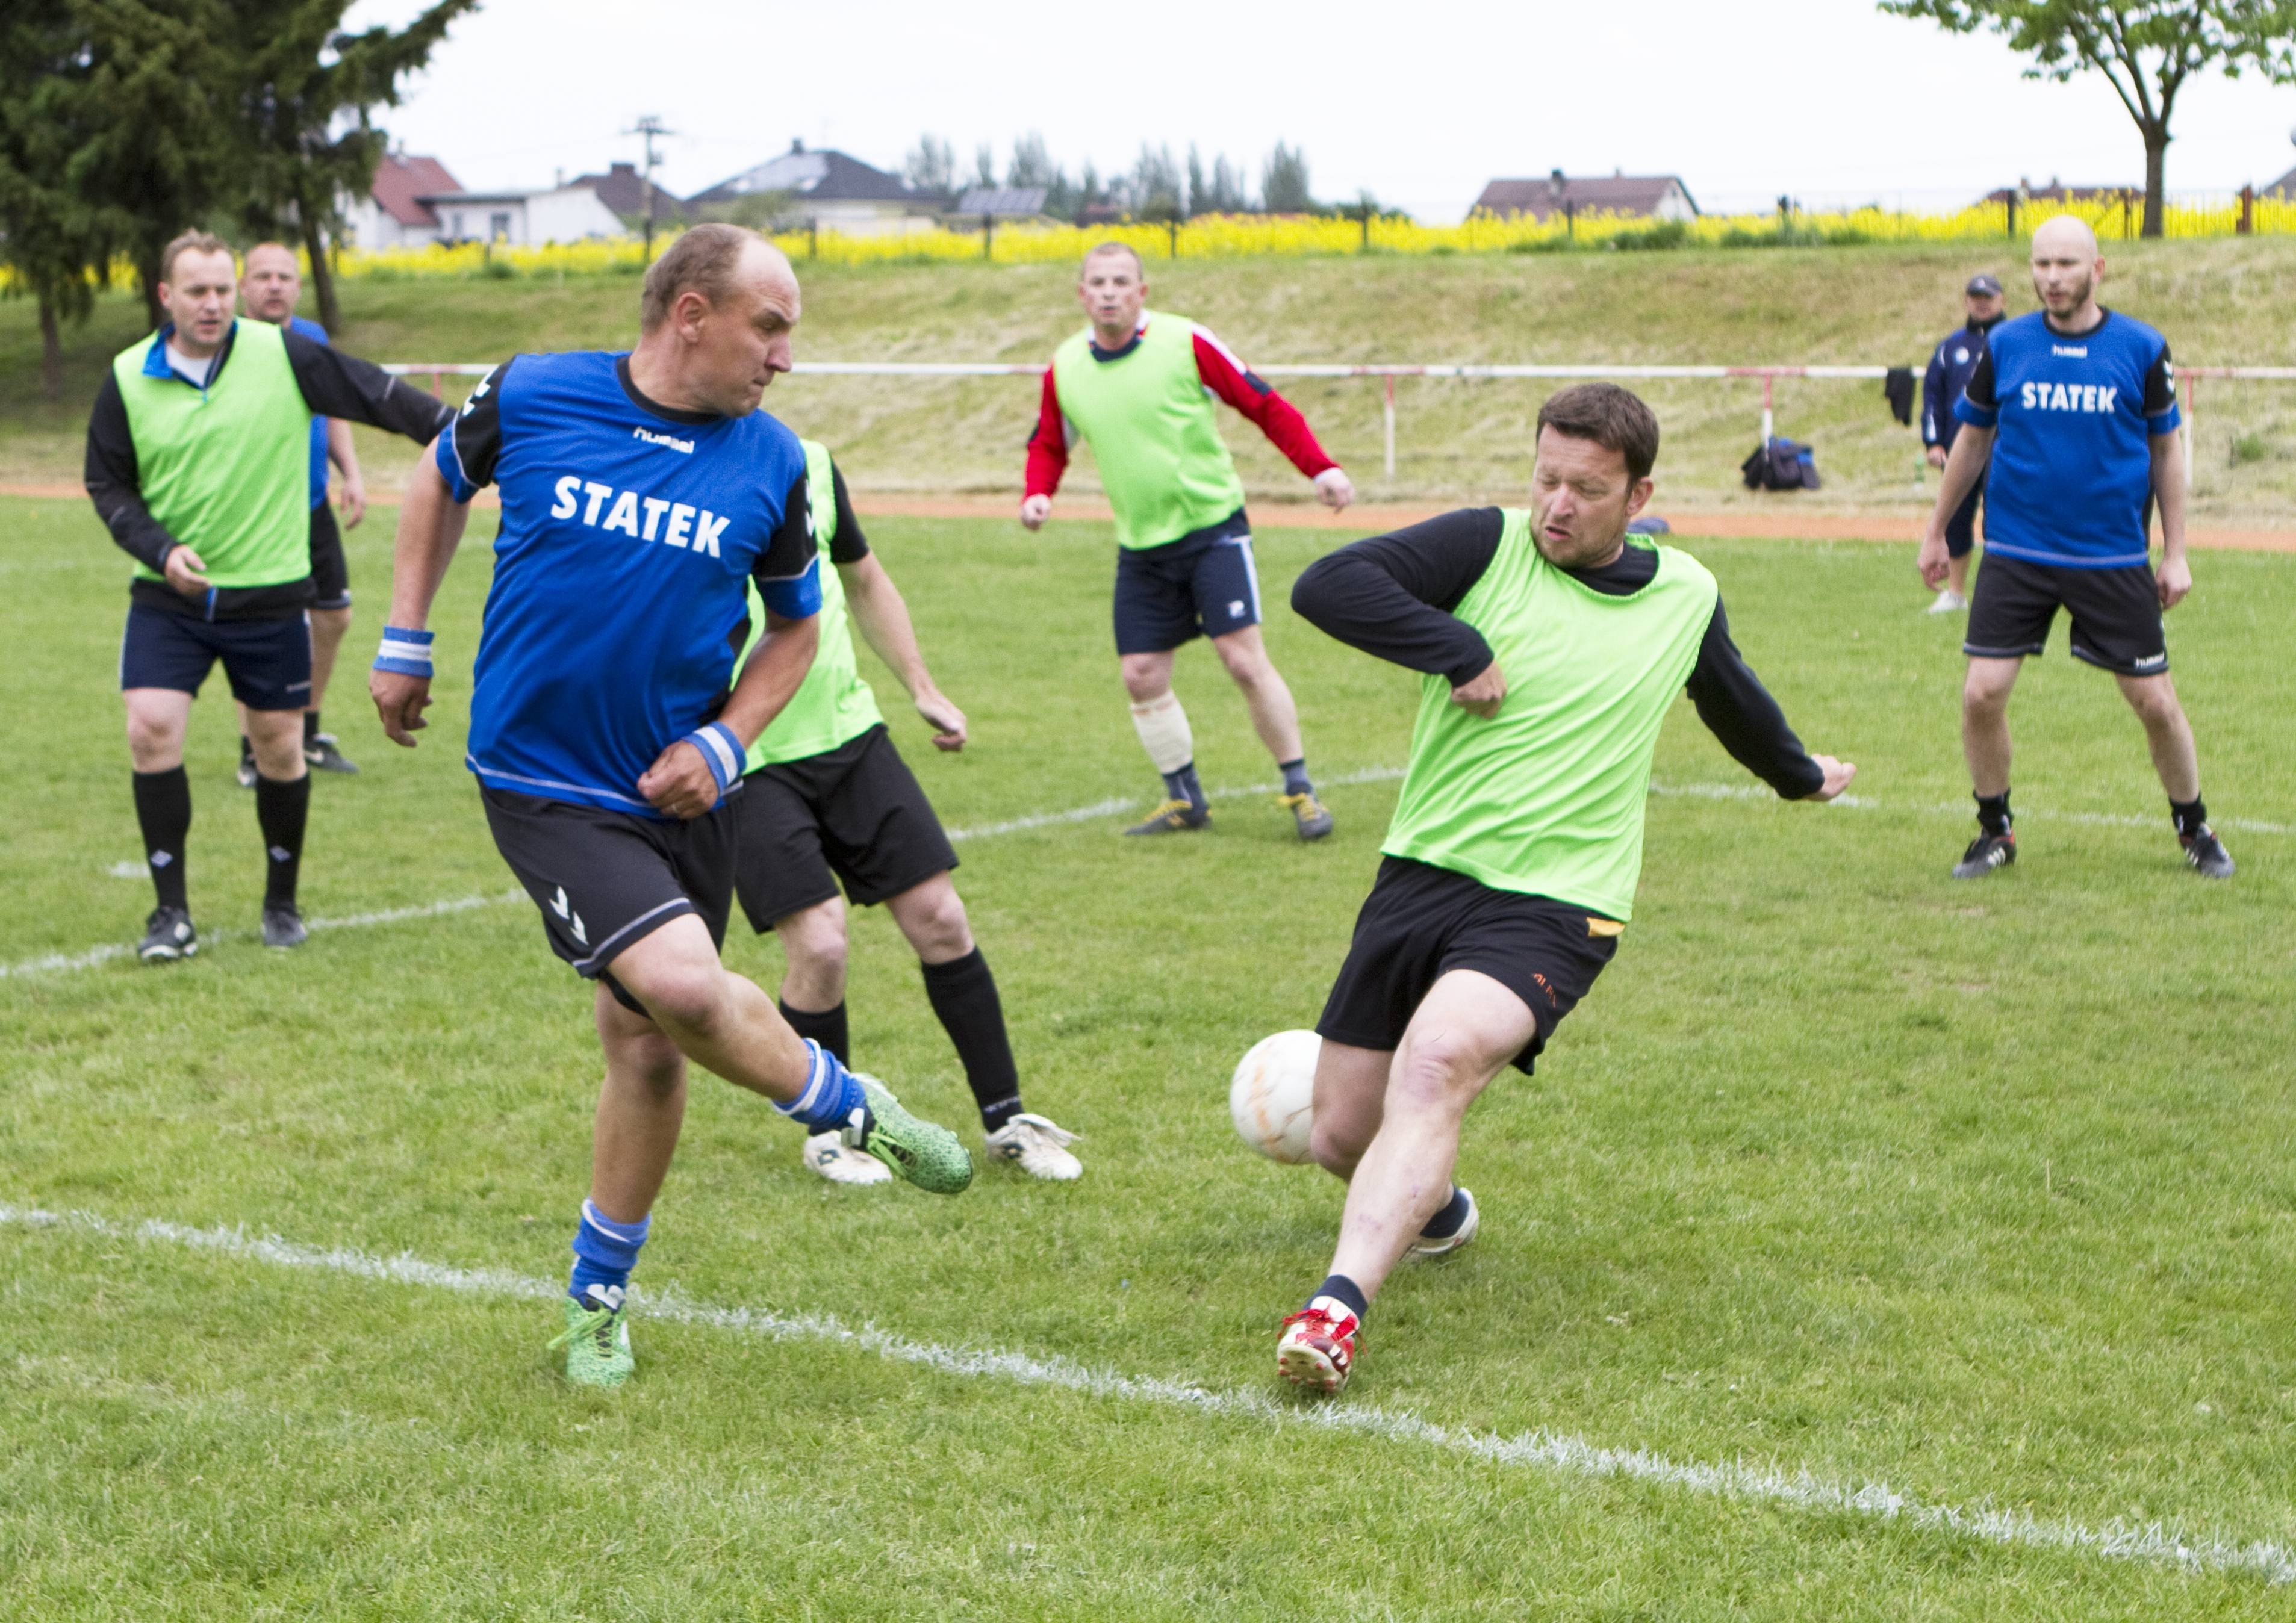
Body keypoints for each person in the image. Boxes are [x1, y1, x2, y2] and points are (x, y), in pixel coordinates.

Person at [370, 225, 972, 1391]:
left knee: (646, 1046)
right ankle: (849, 1104)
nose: (785, 356)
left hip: (684, 789)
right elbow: (436, 479)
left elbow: (796, 627)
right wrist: (404, 632)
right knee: (689, 987)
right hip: (546, 785)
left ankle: (596, 1300)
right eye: (770, 325)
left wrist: (725, 739)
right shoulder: (536, 392)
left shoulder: (772, 462)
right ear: (690, 313)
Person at [1276, 383, 1856, 1394]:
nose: (1555, 504)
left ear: (1638, 496)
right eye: (1545, 478)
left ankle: (1333, 1314)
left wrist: (1797, 774)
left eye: (1585, 489)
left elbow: (1731, 698)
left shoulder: (1682, 593)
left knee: (1440, 1058)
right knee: (1337, 1133)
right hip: (1422, 870)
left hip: (1558, 899)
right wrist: (1454, 645)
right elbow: (1327, 584)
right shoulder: (1481, 547)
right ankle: (1439, 1211)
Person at [86, 231, 453, 963]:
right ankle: (171, 914)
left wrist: (468, 433)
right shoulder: (128, 377)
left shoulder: (283, 352)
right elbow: (108, 485)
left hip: (270, 596)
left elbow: (378, 396)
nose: (215, 303)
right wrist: (161, 550)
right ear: (166, 297)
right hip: (170, 598)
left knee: (280, 746)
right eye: (197, 291)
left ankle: (281, 903)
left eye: (224, 288)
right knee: (150, 727)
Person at [730, 439, 1084, 1185]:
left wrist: (920, 685)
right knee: (820, 946)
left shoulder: (810, 462)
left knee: (942, 918)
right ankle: (831, 1131)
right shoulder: (681, 475)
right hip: (745, 750)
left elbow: (863, 578)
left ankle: (1006, 1120)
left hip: (850, 735)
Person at [1920, 215, 2233, 881]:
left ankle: (2195, 826)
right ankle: (1994, 829)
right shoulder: (2006, 345)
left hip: (2111, 556)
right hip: (2015, 552)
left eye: (2066, 264)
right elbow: (1971, 441)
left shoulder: (2142, 348)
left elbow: (2166, 450)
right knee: (1982, 693)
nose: (2052, 277)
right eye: (2041, 264)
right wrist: (1936, 530)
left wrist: (2175, 550)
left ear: (2098, 270)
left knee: (2155, 702)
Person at [1021, 243, 1355, 840]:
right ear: (1081, 294)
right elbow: (1050, 440)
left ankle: (1300, 788)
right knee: (1141, 673)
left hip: (1212, 530)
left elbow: (1263, 404)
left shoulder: (1186, 342)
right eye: (1097, 281)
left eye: (1121, 280)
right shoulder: (1065, 365)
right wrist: (1037, 491)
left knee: (1242, 658)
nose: (1108, 291)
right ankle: (1184, 799)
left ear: (1142, 292)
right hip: (1141, 545)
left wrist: (1320, 469)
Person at [233, 242, 368, 782]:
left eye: (284, 276)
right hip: (254, 512)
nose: (274, 285)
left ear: (297, 286)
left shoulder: (311, 339)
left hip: (309, 504)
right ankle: (254, 750)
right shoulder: (231, 344)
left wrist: (351, 473)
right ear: (244, 287)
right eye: (262, 276)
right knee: (260, 629)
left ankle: (305, 733)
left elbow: (333, 407)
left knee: (333, 615)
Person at [1919, 272, 2005, 613]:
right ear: (1967, 300)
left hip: (2005, 449)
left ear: (2002, 300)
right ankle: (1955, 593)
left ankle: (2000, 592)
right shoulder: (1950, 347)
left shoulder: (2015, 341)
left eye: (1988, 296)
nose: (1982, 302)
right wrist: (1933, 442)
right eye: (1975, 296)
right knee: (1956, 517)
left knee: (2000, 519)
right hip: (1959, 450)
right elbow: (1932, 398)